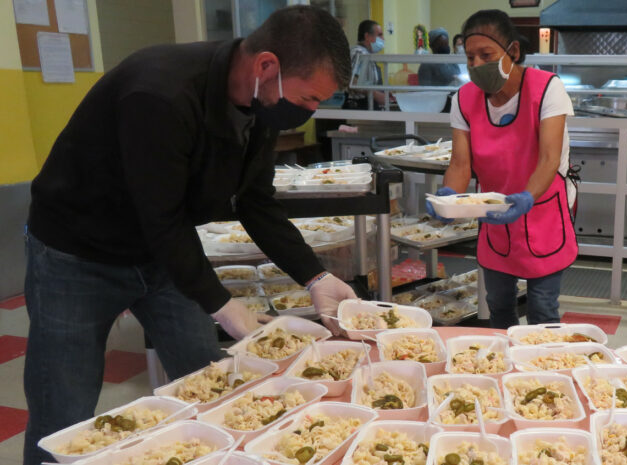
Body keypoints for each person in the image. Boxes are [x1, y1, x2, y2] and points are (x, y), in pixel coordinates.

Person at [22, 6, 358, 464]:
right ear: (266, 67)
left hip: (162, 255)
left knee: (211, 380)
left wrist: (315, 277)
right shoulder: (160, 93)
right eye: (308, 100)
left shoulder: (258, 104)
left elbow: (255, 201)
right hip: (76, 253)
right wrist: (221, 303)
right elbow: (162, 217)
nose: (310, 113)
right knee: (63, 406)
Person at [426, 9, 577, 329]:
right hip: (495, 217)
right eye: (470, 58)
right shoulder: (464, 99)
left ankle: (544, 374)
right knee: (498, 308)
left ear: (514, 52)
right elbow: (460, 163)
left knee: (542, 309)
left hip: (542, 212)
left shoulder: (547, 88)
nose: (477, 65)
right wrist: (449, 195)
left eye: (486, 55)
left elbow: (548, 159)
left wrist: (524, 198)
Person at [346, 19, 386, 109]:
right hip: (359, 106)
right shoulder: (358, 52)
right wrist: (375, 94)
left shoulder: (368, 55)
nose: (383, 39)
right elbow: (352, 81)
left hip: (370, 104)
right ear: (367, 36)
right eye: (379, 35)